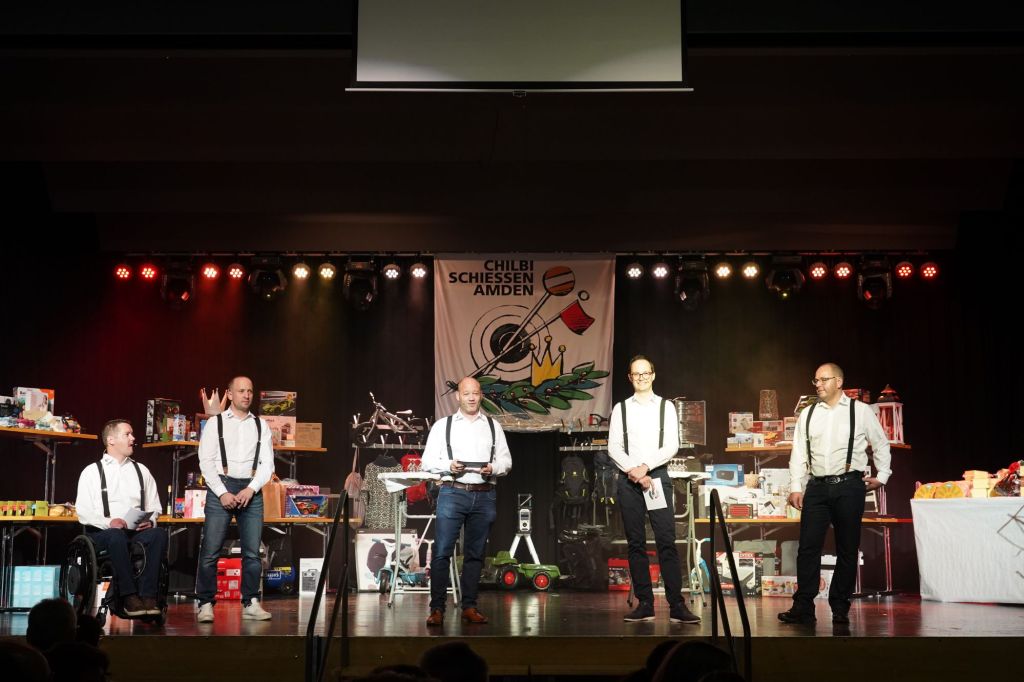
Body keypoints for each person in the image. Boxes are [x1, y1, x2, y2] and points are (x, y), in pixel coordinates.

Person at [778, 362, 892, 625]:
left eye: (824, 379)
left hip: (849, 485)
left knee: (847, 548)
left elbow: (880, 443)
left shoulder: (860, 411)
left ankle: (840, 606)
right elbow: (799, 452)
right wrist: (796, 486)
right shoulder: (808, 414)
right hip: (817, 486)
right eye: (816, 380)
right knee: (808, 548)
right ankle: (803, 606)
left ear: (839, 382)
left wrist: (882, 476)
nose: (818, 384)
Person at [608, 354, 700, 624]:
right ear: (630, 377)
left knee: (666, 541)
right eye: (636, 374)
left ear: (653, 375)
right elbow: (614, 447)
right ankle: (645, 604)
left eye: (645, 373)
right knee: (636, 543)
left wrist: (646, 467)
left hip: (656, 477)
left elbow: (671, 445)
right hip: (629, 480)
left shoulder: (665, 407)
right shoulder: (621, 409)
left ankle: (677, 605)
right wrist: (635, 472)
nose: (641, 378)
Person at [420, 377, 512, 627]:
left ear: (481, 396)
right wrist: (448, 466)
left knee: (475, 555)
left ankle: (469, 606)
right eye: (466, 393)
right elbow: (427, 461)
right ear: (458, 396)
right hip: (453, 492)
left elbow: (506, 461)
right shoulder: (443, 426)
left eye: (475, 393)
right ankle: (437, 608)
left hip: (484, 494)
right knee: (442, 552)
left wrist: (494, 468)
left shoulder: (493, 426)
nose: (471, 398)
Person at [195, 376, 275, 622]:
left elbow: (267, 464)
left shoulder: (261, 425)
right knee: (211, 550)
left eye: (250, 391)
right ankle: (205, 603)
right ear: (229, 394)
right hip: (222, 485)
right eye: (241, 391)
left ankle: (250, 601)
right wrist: (222, 492)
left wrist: (251, 489)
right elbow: (206, 461)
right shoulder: (215, 423)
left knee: (252, 552)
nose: (246, 395)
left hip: (250, 488)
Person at [75, 420, 166, 617]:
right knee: (116, 536)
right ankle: (128, 596)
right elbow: (83, 511)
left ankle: (149, 596)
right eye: (127, 434)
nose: (133, 438)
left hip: (135, 532)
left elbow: (155, 506)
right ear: (111, 440)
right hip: (103, 534)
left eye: (132, 434)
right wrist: (109, 522)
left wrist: (151, 521)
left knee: (158, 534)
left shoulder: (141, 471)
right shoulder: (92, 472)